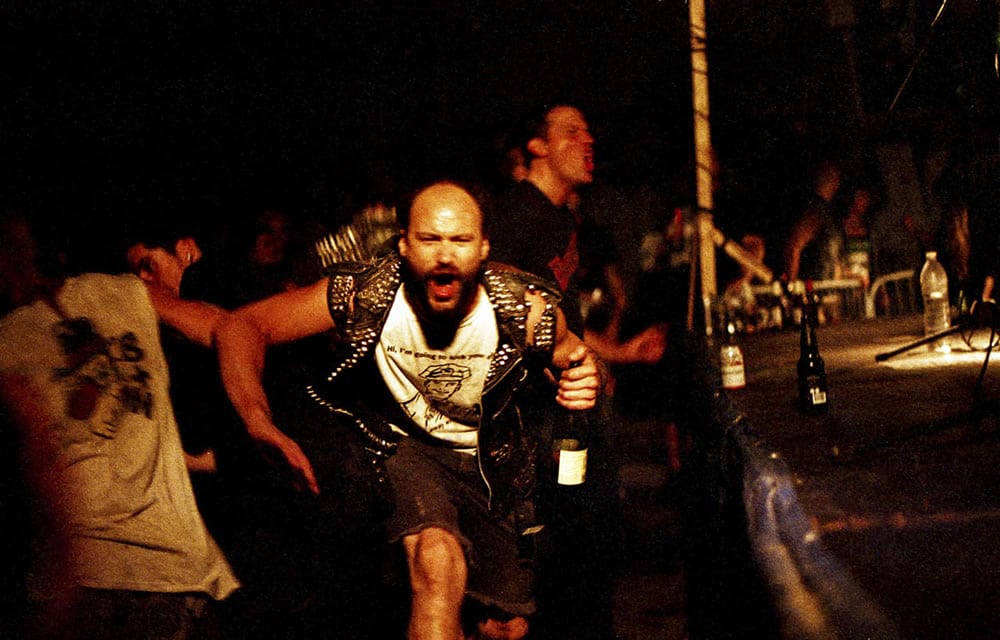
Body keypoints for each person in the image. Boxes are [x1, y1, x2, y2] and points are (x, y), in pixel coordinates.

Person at [213, 181, 603, 640]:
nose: (444, 256)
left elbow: (572, 352)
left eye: (459, 241)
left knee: (505, 628)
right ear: (403, 244)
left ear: (483, 249)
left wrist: (582, 376)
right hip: (406, 451)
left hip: (494, 466)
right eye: (429, 239)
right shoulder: (369, 294)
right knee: (436, 563)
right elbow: (241, 325)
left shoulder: (521, 307)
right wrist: (258, 421)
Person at [0, 209, 240, 639]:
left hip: (166, 574)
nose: (17, 259)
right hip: (89, 584)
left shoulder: (118, 292)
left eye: (19, 245)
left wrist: (251, 424)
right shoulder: (7, 340)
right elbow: (41, 460)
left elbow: (228, 329)